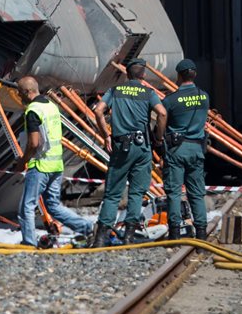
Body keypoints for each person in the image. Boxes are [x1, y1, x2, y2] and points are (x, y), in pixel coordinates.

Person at [92, 58, 167, 247]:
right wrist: (158, 137)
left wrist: (106, 136)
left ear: (127, 73)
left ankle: (101, 238)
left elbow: (99, 111)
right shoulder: (148, 93)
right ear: (143, 75)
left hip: (120, 146)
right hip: (142, 148)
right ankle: (129, 236)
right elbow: (163, 113)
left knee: (112, 194)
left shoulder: (115, 91)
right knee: (136, 192)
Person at [13, 76, 93, 247]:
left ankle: (28, 243)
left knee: (26, 207)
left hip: (40, 166)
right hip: (56, 165)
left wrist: (23, 161)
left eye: (20, 93)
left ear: (28, 91)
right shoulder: (51, 107)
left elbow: (34, 143)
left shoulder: (33, 111)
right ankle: (87, 227)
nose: (19, 97)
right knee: (53, 206)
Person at [160, 59, 210, 241]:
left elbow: (162, 119)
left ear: (179, 76)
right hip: (197, 148)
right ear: (194, 75)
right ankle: (202, 232)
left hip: (177, 150)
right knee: (196, 192)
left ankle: (174, 232)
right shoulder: (204, 96)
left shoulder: (171, 100)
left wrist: (159, 139)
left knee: (174, 191)